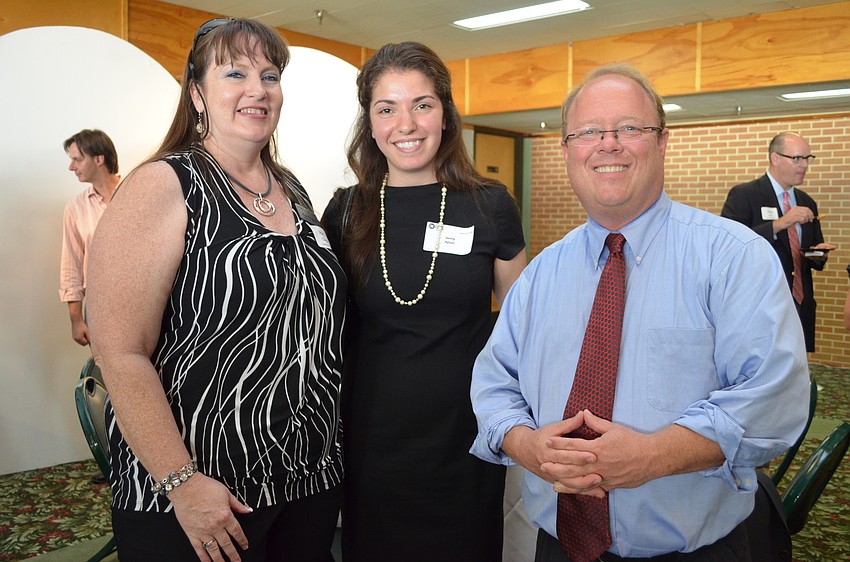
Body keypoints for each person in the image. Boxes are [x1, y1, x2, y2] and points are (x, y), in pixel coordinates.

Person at [469, 63, 810, 562]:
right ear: (567, 150)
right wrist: (523, 444)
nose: (608, 144)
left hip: (695, 551)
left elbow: (773, 397)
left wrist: (655, 455)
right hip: (559, 545)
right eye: (589, 132)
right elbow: (494, 381)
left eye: (629, 127)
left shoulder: (733, 257)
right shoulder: (541, 274)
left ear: (662, 141)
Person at [86, 18, 345, 562]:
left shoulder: (291, 190)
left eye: (270, 75)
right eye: (235, 73)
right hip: (204, 494)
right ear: (198, 94)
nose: (258, 89)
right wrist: (182, 484)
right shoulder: (163, 185)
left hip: (305, 479)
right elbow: (119, 351)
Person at [321, 41, 526, 562]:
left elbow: (524, 327)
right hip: (373, 438)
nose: (406, 124)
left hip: (467, 433)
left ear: (445, 114)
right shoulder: (346, 212)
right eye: (387, 109)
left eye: (422, 104)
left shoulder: (490, 203)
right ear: (370, 123)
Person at [721, 132, 836, 352]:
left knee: (796, 369)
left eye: (807, 158)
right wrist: (779, 224)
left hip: (800, 303)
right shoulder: (745, 195)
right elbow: (729, 246)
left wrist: (818, 255)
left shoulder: (806, 201)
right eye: (797, 158)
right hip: (760, 303)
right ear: (775, 158)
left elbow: (809, 256)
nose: (804, 165)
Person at [59, 129, 121, 346]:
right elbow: (71, 266)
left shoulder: (137, 193)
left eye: (77, 159)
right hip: (100, 309)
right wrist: (75, 319)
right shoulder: (75, 208)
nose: (71, 167)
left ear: (99, 159)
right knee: (110, 372)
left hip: (147, 302)